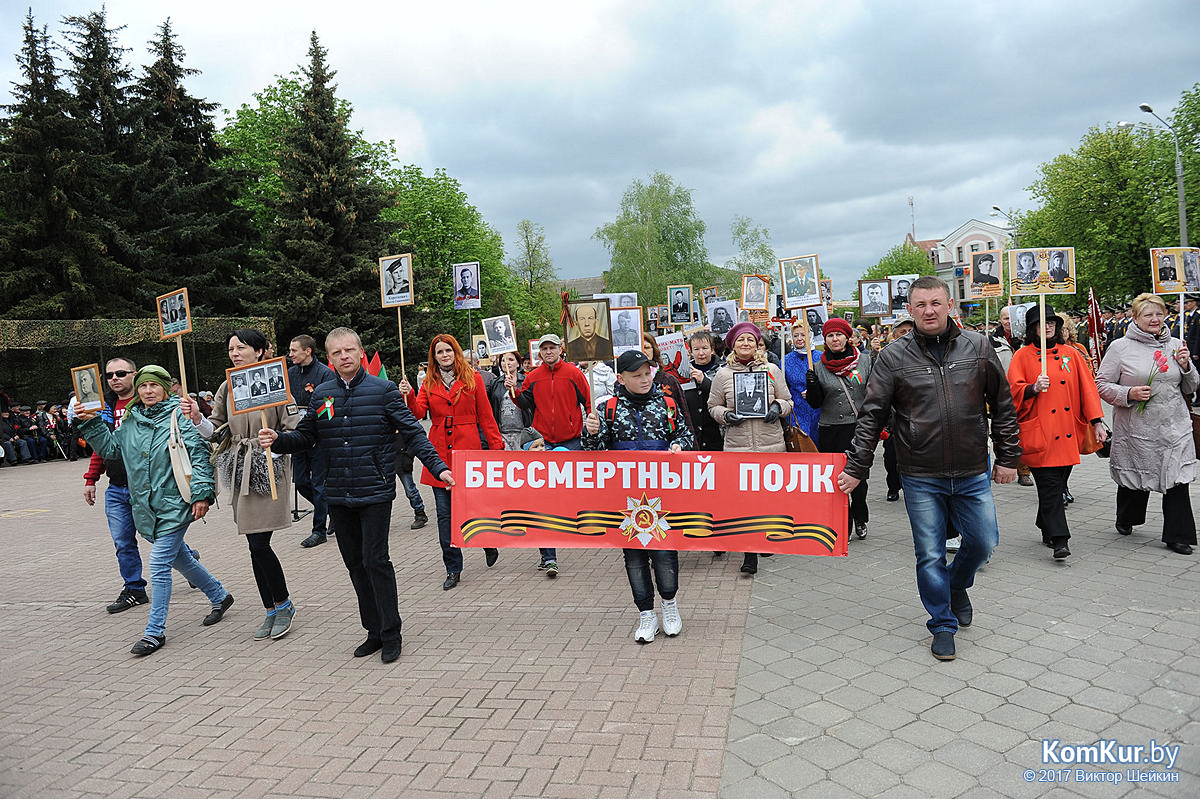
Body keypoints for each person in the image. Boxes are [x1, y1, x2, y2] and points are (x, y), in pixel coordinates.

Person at [836, 276, 1020, 661]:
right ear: (910, 309)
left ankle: (956, 585)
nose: (929, 311)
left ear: (950, 304)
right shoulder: (892, 357)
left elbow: (1002, 406)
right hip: (919, 473)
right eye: (920, 305)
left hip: (972, 468)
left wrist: (1007, 457)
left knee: (984, 543)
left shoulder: (978, 346)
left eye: (936, 303)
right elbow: (872, 416)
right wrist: (857, 466)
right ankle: (941, 623)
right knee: (929, 553)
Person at [261, 327, 451, 664]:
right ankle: (373, 630)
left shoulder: (383, 391)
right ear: (329, 357)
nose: (344, 356)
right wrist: (276, 439)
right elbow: (305, 437)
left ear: (360, 352)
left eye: (349, 350)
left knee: (376, 561)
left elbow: (413, 433)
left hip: (375, 491)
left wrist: (438, 468)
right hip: (337, 492)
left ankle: (392, 632)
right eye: (337, 353)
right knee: (355, 565)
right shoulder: (322, 394)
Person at [77, 365, 230, 656]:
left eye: (154, 386)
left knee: (159, 563)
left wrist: (202, 494)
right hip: (145, 507)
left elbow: (199, 457)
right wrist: (93, 423)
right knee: (181, 558)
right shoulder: (131, 419)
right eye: (144, 386)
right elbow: (112, 449)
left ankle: (154, 632)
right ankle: (219, 595)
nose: (148, 391)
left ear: (164, 388)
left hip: (176, 503)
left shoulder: (179, 416)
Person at [182, 329, 302, 641]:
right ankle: (272, 608)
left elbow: (293, 429)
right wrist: (197, 418)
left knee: (260, 543)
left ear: (261, 351)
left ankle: (283, 603)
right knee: (253, 544)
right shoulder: (227, 385)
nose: (235, 353)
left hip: (268, 467)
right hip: (239, 468)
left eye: (242, 347)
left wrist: (276, 439)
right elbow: (217, 430)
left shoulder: (279, 382)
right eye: (231, 348)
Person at [583, 350, 693, 642]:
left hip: (663, 497)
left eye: (648, 373)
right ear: (622, 378)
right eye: (637, 375)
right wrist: (591, 432)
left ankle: (669, 605)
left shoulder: (667, 405)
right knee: (633, 557)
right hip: (626, 499)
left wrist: (680, 446)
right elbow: (592, 453)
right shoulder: (608, 408)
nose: (645, 379)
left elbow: (686, 435)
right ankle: (646, 614)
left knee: (665, 553)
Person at [1095, 293, 1197, 556]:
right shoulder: (1120, 347)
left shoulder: (1176, 343)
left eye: (1159, 313)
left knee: (1176, 478)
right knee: (1136, 476)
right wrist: (1128, 394)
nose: (1154, 319)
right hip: (1138, 426)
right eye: (1147, 314)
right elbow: (1101, 384)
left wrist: (1186, 366)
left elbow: (1191, 385)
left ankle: (1178, 535)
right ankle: (1127, 517)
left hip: (1174, 424)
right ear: (1136, 318)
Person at [401, 335, 504, 589]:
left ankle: (487, 543)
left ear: (455, 352)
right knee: (445, 516)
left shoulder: (474, 378)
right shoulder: (428, 382)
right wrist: (409, 394)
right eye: (439, 352)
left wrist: (496, 448)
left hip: (468, 451)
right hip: (439, 456)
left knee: (474, 510)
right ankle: (453, 568)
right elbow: (417, 413)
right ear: (433, 357)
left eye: (448, 350)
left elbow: (486, 417)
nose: (444, 355)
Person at [1007, 306, 1106, 559]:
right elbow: (1011, 393)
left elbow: (1088, 390)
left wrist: (1097, 422)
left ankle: (1045, 524)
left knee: (1056, 483)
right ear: (1032, 329)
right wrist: (1031, 388)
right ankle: (1061, 539)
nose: (1048, 327)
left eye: (1052, 322)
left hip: (1067, 431)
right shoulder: (1022, 356)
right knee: (1051, 486)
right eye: (1042, 323)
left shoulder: (1071, 354)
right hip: (1039, 432)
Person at [708, 322, 792, 576]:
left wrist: (778, 407)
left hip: (770, 445)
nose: (746, 344)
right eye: (741, 340)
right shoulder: (722, 375)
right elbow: (713, 406)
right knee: (743, 503)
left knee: (767, 499)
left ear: (758, 344)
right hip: (738, 447)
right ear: (732, 344)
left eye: (751, 340)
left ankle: (765, 536)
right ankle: (749, 552)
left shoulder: (771, 370)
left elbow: (788, 400)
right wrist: (726, 415)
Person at [512, 333, 589, 573]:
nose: (548, 352)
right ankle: (548, 556)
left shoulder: (574, 374)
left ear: (561, 349)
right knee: (542, 501)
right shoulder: (533, 377)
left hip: (571, 441)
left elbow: (588, 401)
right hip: (542, 443)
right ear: (539, 353)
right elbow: (525, 403)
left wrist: (593, 425)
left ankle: (572, 528)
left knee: (562, 498)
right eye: (544, 348)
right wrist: (513, 389)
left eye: (552, 347)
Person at [83, 358, 151, 612]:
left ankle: (189, 561)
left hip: (146, 487)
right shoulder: (104, 408)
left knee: (160, 537)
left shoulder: (148, 402)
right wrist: (91, 479)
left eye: (121, 373)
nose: (114, 378)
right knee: (123, 541)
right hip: (116, 488)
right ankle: (134, 588)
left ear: (135, 375)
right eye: (110, 375)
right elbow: (102, 447)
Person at [806, 318, 873, 539]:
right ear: (825, 340)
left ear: (847, 337)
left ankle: (860, 516)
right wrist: (813, 386)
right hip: (831, 429)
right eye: (830, 336)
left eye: (839, 335)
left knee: (859, 478)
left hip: (858, 428)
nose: (835, 339)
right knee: (836, 480)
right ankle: (842, 523)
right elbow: (816, 403)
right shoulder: (817, 366)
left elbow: (874, 394)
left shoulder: (864, 361)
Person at [288, 335, 336, 547]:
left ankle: (319, 531)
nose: (290, 355)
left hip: (318, 438)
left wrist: (318, 434)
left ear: (307, 351)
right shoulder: (289, 374)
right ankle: (332, 509)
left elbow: (328, 407)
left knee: (318, 484)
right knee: (301, 483)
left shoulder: (325, 374)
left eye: (294, 351)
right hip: (296, 436)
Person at [641, 333, 696, 439]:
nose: (644, 351)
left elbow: (684, 416)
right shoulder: (623, 382)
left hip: (666, 443)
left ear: (654, 350)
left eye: (647, 347)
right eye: (640, 347)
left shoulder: (669, 380)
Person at [782, 319, 821, 446]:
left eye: (803, 335)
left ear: (810, 336)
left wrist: (815, 390)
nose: (799, 338)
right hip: (796, 412)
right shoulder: (786, 360)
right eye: (796, 335)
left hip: (818, 411)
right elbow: (782, 387)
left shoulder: (820, 357)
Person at [685, 331, 725, 451]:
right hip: (692, 438)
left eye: (705, 348)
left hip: (717, 436)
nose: (701, 353)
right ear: (691, 351)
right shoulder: (683, 372)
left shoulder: (724, 369)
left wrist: (705, 382)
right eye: (696, 349)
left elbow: (727, 396)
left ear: (712, 349)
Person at [488, 350, 533, 451]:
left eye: (511, 360)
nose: (507, 363)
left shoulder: (527, 381)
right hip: (502, 435)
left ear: (518, 363)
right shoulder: (494, 384)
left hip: (524, 434)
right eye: (503, 361)